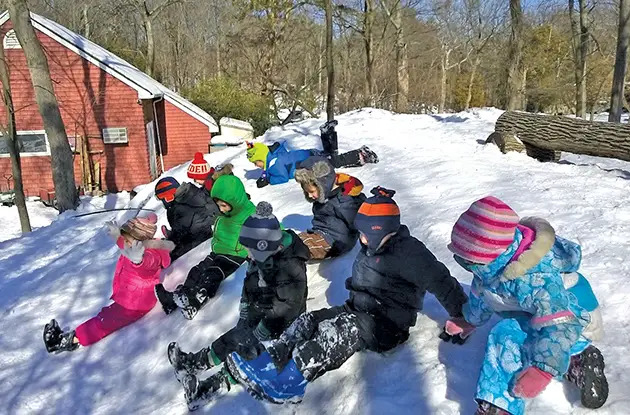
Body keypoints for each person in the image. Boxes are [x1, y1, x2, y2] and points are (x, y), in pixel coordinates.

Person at [223, 187, 468, 404]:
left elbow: (441, 281)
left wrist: (463, 314)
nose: (360, 239)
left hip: (387, 324)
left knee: (336, 332)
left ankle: (291, 383)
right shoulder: (372, 245)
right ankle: (269, 364)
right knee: (308, 322)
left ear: (381, 230)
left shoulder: (410, 254)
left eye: (365, 233)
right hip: (357, 310)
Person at [440, 196, 607, 415]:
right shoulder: (490, 267)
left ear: (487, 254)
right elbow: (484, 294)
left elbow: (560, 324)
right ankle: (500, 403)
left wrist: (543, 370)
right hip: (534, 311)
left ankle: (579, 356)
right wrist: (470, 320)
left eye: (468, 259)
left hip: (573, 316)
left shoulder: (536, 277)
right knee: (512, 332)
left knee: (506, 335)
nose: (463, 263)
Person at [166, 202, 310, 410]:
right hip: (260, 312)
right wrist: (245, 303)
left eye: (250, 249)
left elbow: (288, 306)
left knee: (246, 354)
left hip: (281, 328)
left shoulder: (290, 266)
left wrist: (266, 328)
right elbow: (250, 282)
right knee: (232, 338)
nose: (247, 255)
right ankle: (191, 364)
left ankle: (204, 390)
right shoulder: (261, 256)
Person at [43, 214, 173, 353]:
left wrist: (139, 261)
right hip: (129, 299)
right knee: (106, 314)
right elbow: (124, 245)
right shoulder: (133, 247)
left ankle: (65, 341)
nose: (124, 242)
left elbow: (148, 264)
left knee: (103, 322)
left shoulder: (149, 254)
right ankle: (70, 338)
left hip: (135, 305)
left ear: (139, 241)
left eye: (127, 239)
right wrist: (117, 236)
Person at [154, 175, 255, 320]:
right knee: (196, 271)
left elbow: (271, 229)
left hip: (234, 256)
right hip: (218, 251)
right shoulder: (225, 212)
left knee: (211, 275)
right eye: (218, 205)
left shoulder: (250, 215)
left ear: (234, 200)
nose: (220, 209)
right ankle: (178, 297)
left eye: (223, 205)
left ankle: (195, 301)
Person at [246, 121, 378, 188]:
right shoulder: (274, 156)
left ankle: (361, 154)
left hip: (310, 162)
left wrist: (269, 180)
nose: (256, 165)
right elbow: (278, 151)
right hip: (309, 154)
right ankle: (327, 134)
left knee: (335, 162)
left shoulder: (274, 165)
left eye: (256, 162)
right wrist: (266, 174)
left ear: (262, 157)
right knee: (329, 156)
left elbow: (283, 177)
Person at [154, 163, 233, 261]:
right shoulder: (190, 194)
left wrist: (170, 254)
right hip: (204, 237)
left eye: (160, 199)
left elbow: (186, 238)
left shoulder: (181, 208)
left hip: (200, 246)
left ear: (167, 196)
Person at [293, 156, 366, 260]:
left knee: (297, 247)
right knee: (292, 241)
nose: (309, 196)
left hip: (336, 242)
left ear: (323, 184)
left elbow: (360, 222)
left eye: (312, 191)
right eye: (307, 192)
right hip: (321, 234)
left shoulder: (344, 202)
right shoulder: (325, 196)